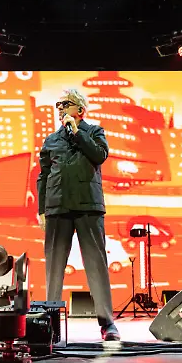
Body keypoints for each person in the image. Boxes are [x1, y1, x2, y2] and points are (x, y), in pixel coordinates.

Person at [37, 89, 119, 341]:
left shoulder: (94, 132)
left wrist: (77, 131)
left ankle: (107, 325)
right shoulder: (50, 140)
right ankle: (50, 326)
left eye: (66, 104)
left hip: (88, 207)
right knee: (54, 269)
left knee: (96, 265)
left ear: (80, 110)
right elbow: (43, 175)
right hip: (57, 207)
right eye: (58, 104)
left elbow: (99, 155)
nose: (60, 108)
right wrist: (41, 209)